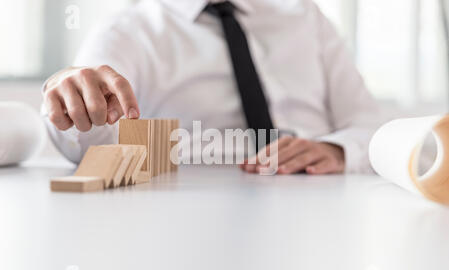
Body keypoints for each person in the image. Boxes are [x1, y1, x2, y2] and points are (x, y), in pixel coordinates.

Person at [42, 0, 381, 175]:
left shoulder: (304, 15)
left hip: (321, 197)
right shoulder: (126, 30)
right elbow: (91, 145)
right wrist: (72, 102)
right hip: (190, 206)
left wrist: (337, 151)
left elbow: (370, 128)